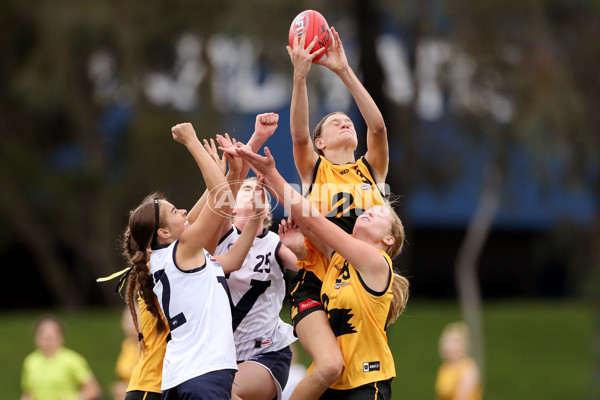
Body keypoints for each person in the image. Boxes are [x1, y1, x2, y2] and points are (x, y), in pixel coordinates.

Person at [227, 144, 410, 400]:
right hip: (331, 388)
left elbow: (312, 219)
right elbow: (307, 225)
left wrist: (270, 173)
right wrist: (299, 248)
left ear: (389, 240)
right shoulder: (336, 262)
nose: (370, 210)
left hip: (366, 383)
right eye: (368, 209)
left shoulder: (376, 262)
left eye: (379, 213)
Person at [283, 26, 392, 399]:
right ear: (321, 142)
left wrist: (343, 70)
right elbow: (297, 136)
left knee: (347, 378)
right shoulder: (315, 170)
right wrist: (301, 76)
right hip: (316, 281)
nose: (345, 121)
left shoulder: (371, 171)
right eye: (333, 122)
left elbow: (376, 125)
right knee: (330, 367)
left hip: (358, 288)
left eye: (347, 121)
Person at [121, 121, 264, 400]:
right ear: (162, 232)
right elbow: (219, 199)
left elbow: (232, 260)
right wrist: (191, 141)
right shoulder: (181, 251)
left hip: (185, 374)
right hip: (199, 373)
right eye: (174, 210)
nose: (184, 211)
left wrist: (254, 216)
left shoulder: (178, 257)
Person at [20, 315, 101, 400]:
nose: (47, 338)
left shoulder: (72, 360)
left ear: (61, 337)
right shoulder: (30, 361)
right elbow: (28, 392)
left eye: (52, 335)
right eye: (42, 333)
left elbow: (93, 389)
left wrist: (74, 398)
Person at [435, 323, 482, 400]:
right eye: (448, 341)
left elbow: (463, 397)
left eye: (456, 342)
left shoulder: (468, 367)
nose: (450, 345)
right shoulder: (444, 367)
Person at [112, 306, 141, 400]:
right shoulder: (127, 345)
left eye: (135, 321)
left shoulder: (151, 346)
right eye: (127, 322)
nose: (130, 326)